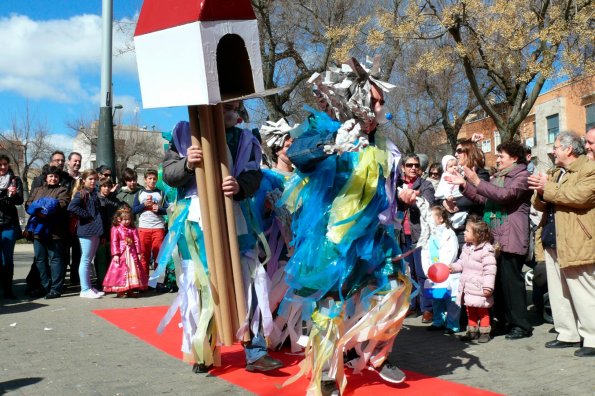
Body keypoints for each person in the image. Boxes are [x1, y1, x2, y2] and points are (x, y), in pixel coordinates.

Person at [283, 57, 411, 392]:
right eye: (376, 100)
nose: (381, 107)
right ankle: (327, 372)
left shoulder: (382, 143)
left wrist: (402, 199)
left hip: (375, 238)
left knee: (394, 292)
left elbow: (382, 188)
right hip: (333, 237)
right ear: (353, 98)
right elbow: (298, 154)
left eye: (382, 101)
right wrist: (330, 144)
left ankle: (376, 354)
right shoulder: (326, 128)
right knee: (329, 303)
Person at [162, 102, 282, 374]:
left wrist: (240, 185)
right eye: (226, 105)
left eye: (235, 104)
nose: (231, 109)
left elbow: (255, 174)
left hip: (235, 215)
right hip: (197, 219)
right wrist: (187, 164)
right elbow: (169, 174)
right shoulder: (183, 133)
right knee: (202, 284)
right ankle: (204, 349)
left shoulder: (246, 138)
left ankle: (255, 350)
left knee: (247, 282)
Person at [447, 141, 533, 340]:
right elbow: (486, 199)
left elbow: (505, 196)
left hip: (511, 236)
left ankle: (520, 324)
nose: (498, 159)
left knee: (511, 283)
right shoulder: (497, 177)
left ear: (514, 157)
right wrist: (464, 185)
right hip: (495, 237)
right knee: (498, 285)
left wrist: (476, 181)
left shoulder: (523, 177)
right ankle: (504, 321)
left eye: (502, 155)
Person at [528, 131, 595, 357]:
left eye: (556, 147)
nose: (553, 151)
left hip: (577, 240)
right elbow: (538, 205)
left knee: (583, 291)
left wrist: (547, 188)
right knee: (559, 292)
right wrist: (540, 190)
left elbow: (579, 196)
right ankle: (568, 333)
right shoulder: (555, 172)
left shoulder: (590, 169)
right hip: (553, 239)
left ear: (568, 149)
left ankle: (593, 338)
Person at [397, 153, 435, 323]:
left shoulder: (425, 184)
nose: (413, 168)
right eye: (410, 165)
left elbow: (428, 203)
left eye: (416, 165)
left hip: (419, 236)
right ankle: (412, 305)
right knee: (407, 274)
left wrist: (413, 197)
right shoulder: (396, 184)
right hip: (401, 236)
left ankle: (428, 308)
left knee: (423, 273)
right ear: (403, 167)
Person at [25, 166, 70, 299]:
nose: (53, 178)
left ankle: (56, 288)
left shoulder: (62, 190)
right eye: (51, 176)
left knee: (55, 259)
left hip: (55, 232)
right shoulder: (38, 190)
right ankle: (45, 286)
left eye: (56, 176)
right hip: (38, 231)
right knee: (40, 259)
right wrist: (37, 210)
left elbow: (63, 204)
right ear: (46, 177)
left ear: (59, 178)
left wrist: (47, 211)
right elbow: (28, 203)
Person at [450, 216, 497, 343]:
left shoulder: (486, 250)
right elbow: (461, 263)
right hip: (468, 286)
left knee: (482, 309)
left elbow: (490, 270)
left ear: (477, 235)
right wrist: (452, 268)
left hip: (479, 287)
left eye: (467, 231)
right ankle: (472, 331)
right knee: (470, 309)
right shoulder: (466, 247)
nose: (464, 232)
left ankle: (485, 331)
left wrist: (488, 286)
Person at [442, 139, 490, 249]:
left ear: (469, 153)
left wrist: (455, 204)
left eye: (459, 151)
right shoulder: (460, 174)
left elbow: (478, 198)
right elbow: (442, 193)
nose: (455, 154)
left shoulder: (481, 174)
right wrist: (444, 201)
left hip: (472, 228)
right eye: (456, 151)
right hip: (456, 227)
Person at [67, 169, 105, 299]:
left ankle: (89, 287)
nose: (93, 181)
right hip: (85, 231)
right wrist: (87, 216)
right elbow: (71, 207)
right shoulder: (81, 193)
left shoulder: (93, 192)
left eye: (95, 179)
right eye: (90, 179)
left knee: (89, 260)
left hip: (93, 230)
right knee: (86, 259)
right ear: (84, 180)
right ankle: (84, 289)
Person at [422, 205, 460, 334]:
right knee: (437, 299)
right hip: (434, 273)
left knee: (450, 300)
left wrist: (443, 268)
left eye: (431, 217)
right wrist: (427, 269)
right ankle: (438, 321)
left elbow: (452, 252)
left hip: (446, 272)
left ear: (440, 219)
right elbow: (424, 253)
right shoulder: (428, 234)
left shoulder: (449, 234)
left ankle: (452, 324)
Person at [103, 208, 148, 297]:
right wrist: (115, 254)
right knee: (120, 271)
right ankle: (121, 291)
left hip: (132, 253)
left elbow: (137, 241)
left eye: (129, 219)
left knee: (132, 270)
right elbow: (114, 242)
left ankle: (130, 289)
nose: (127, 221)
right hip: (122, 253)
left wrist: (139, 253)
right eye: (125, 220)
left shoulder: (133, 229)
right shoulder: (116, 228)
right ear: (119, 219)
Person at [133, 169, 168, 277]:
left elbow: (167, 209)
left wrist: (159, 209)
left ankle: (158, 281)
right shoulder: (139, 193)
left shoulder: (161, 193)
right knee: (143, 255)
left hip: (158, 228)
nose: (152, 181)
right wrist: (143, 205)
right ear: (145, 180)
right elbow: (133, 210)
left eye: (154, 179)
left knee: (159, 256)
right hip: (143, 228)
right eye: (150, 179)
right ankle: (144, 281)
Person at [0, 154, 24, 299]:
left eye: (5, 164)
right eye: (0, 164)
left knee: (7, 258)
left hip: (8, 223)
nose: (3, 167)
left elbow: (19, 200)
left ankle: (8, 288)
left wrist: (13, 195)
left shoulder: (15, 180)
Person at [95, 178, 120, 290]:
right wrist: (102, 235)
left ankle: (112, 281)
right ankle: (101, 281)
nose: (106, 189)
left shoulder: (114, 200)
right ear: (100, 187)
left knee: (112, 259)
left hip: (113, 234)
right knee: (101, 260)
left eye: (108, 186)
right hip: (101, 234)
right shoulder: (96, 199)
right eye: (104, 186)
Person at [64, 152, 83, 287]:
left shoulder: (83, 179)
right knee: (63, 253)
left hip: (79, 221)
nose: (77, 163)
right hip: (64, 220)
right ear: (69, 162)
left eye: (79, 161)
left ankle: (75, 278)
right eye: (75, 161)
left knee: (78, 252)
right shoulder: (63, 178)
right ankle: (61, 280)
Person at [435, 155, 467, 229]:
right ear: (445, 168)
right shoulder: (446, 176)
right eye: (451, 166)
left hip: (459, 196)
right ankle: (452, 222)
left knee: (461, 213)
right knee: (451, 212)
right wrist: (448, 195)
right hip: (451, 196)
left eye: (455, 165)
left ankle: (457, 222)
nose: (454, 167)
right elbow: (445, 187)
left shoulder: (459, 174)